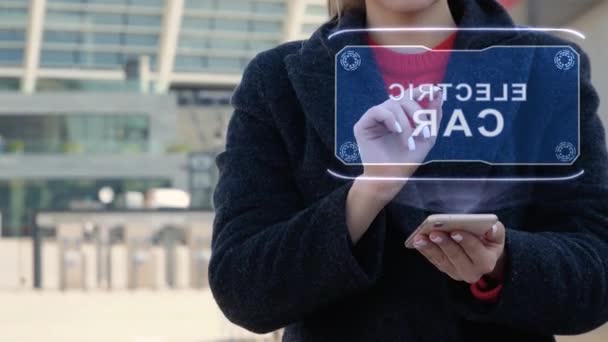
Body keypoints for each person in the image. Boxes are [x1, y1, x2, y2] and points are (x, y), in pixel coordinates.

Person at [209, 0, 608, 341]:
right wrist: (368, 193)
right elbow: (242, 288)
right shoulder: (277, 83)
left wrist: (502, 264)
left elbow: (597, 273)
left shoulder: (546, 70)